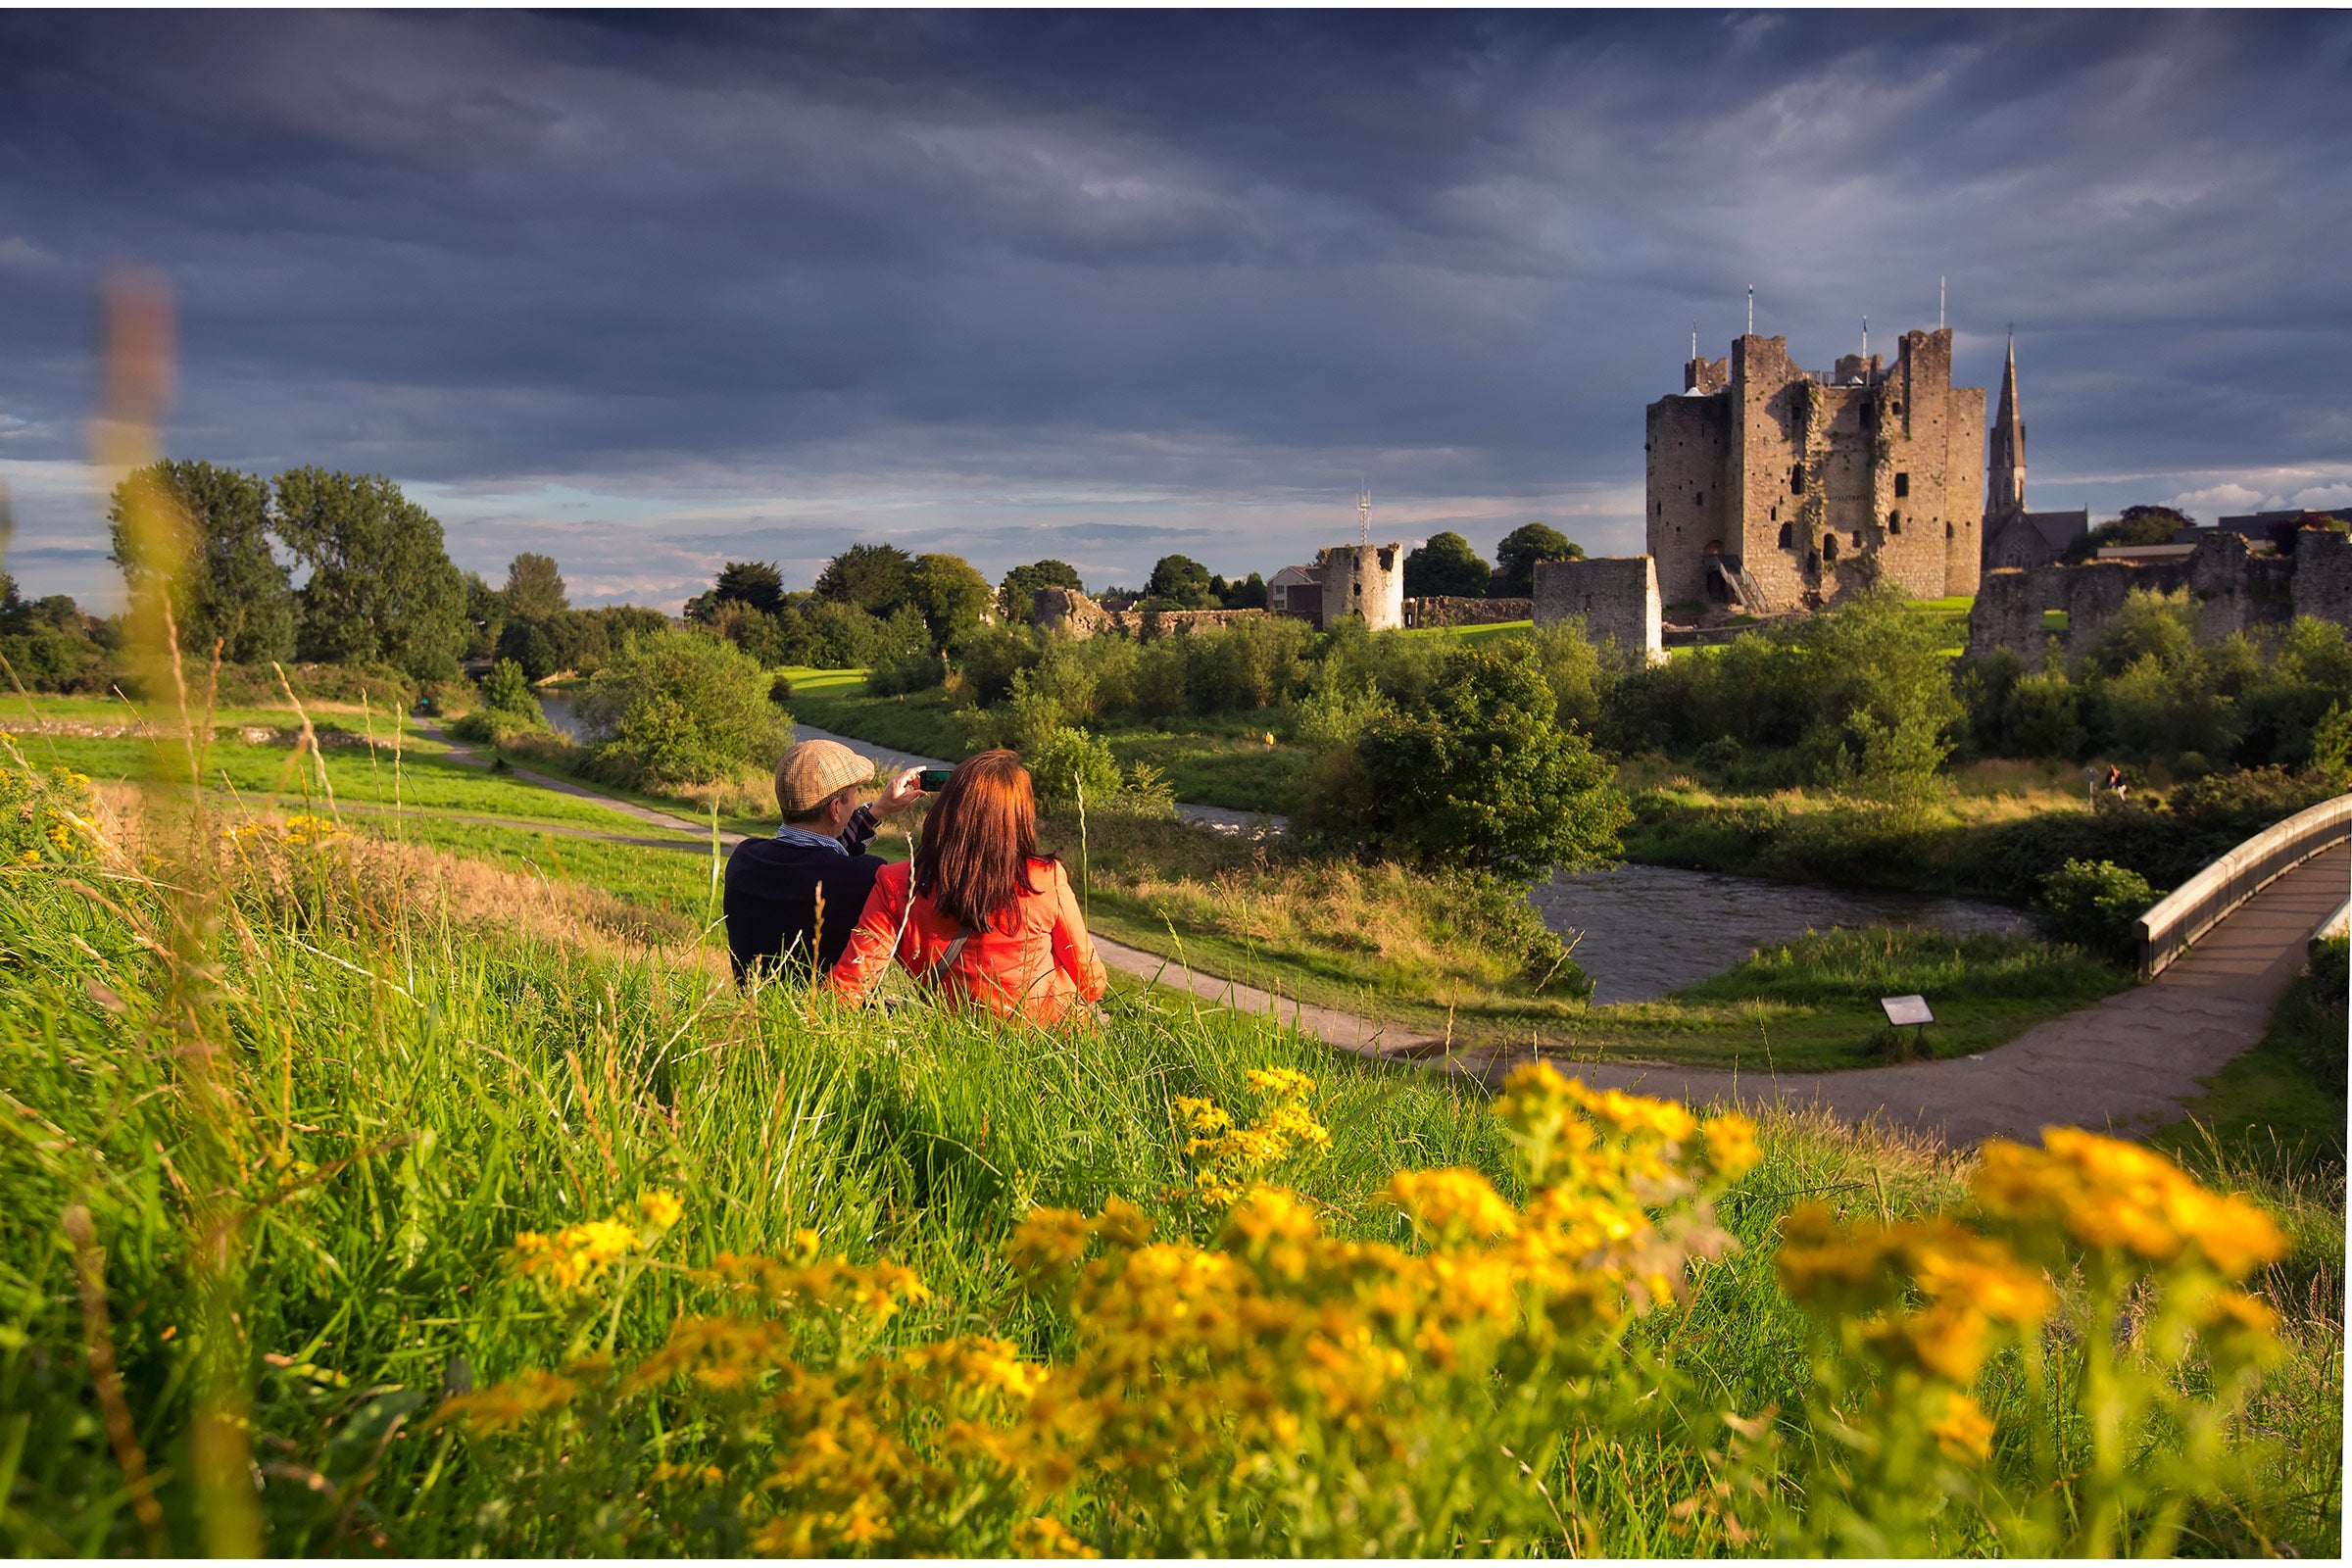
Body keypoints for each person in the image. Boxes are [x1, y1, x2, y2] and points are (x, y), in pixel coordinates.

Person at [826, 749, 1106, 1023]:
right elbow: (1092, 983)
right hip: (1052, 1040)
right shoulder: (1045, 878)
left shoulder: (896, 884)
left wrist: (878, 809)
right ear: (1020, 816)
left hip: (957, 1043)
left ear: (946, 809)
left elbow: (847, 989)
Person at [723, 738, 923, 984]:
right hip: (837, 1015)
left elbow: (818, 857)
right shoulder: (866, 877)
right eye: (854, 796)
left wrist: (876, 811)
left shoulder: (744, 859)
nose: (857, 801)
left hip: (755, 1010)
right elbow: (832, 864)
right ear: (835, 809)